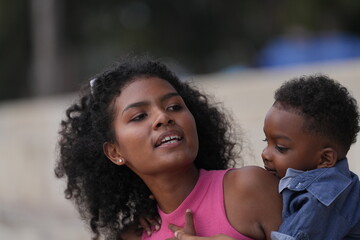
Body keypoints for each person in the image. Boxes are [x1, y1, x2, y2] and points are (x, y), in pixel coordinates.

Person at [55, 56, 282, 240]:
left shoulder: (250, 188)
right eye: (139, 116)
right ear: (115, 153)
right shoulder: (134, 236)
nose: (163, 117)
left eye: (174, 106)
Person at [169, 74, 360, 240]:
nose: (265, 154)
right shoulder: (323, 181)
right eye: (265, 141)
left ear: (325, 159)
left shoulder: (321, 199)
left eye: (281, 148)